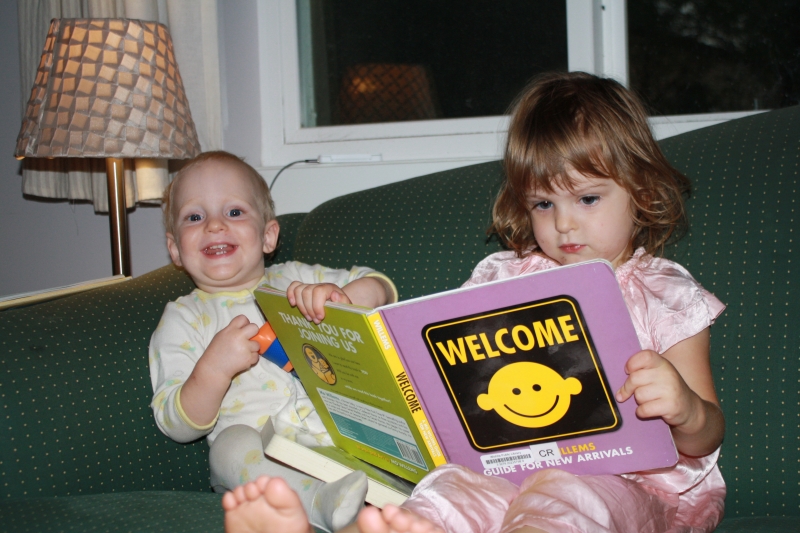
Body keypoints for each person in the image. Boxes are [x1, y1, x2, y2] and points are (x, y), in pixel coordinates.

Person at [222, 71, 726, 533]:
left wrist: (684, 408)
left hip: (627, 488)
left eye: (587, 199)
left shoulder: (666, 295)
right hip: (501, 473)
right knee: (445, 492)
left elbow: (705, 436)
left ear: (639, 191)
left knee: (564, 497)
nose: (564, 223)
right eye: (543, 204)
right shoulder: (503, 278)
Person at [148, 151, 397, 533]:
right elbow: (176, 423)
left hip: (345, 444)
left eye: (234, 212)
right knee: (228, 446)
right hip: (261, 462)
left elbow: (378, 285)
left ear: (268, 236)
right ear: (175, 249)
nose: (214, 226)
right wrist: (213, 369)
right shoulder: (183, 318)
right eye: (194, 217)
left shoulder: (296, 277)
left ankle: (375, 510)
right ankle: (315, 503)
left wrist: (343, 299)